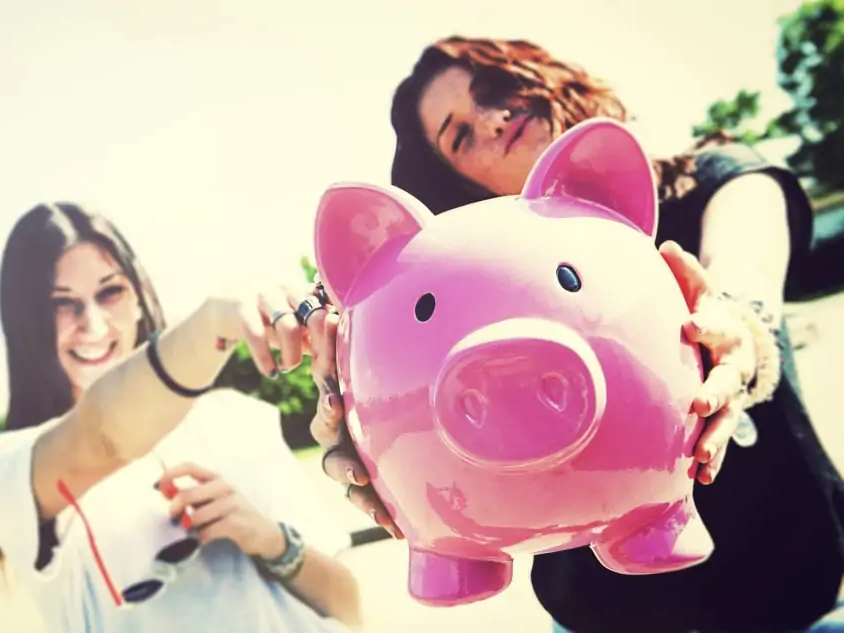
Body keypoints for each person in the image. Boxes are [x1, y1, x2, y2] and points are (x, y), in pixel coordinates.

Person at [308, 37, 844, 633]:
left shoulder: (716, 179)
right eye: (460, 136)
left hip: (784, 584)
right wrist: (363, 409)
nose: (492, 120)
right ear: (450, 177)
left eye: (495, 90)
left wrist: (738, 332)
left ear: (541, 75)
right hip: (599, 613)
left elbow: (745, 275)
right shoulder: (448, 282)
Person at [0, 202, 362, 632]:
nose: (95, 325)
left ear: (139, 295)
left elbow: (349, 607)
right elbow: (102, 434)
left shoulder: (238, 419)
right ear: (24, 326)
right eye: (61, 304)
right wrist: (212, 325)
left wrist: (270, 541)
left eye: (110, 292)